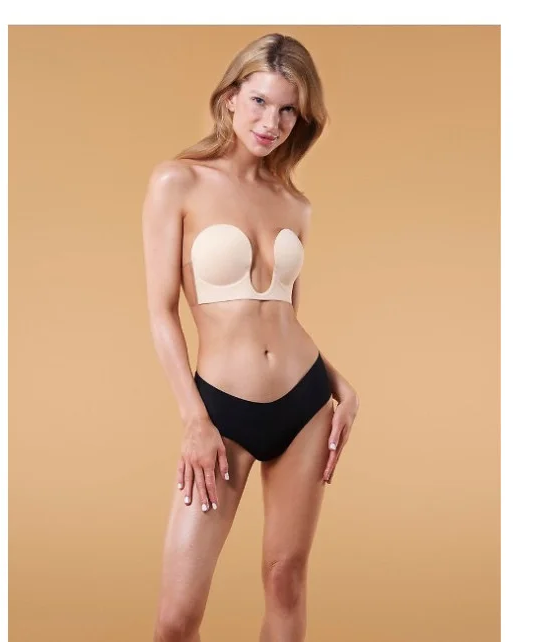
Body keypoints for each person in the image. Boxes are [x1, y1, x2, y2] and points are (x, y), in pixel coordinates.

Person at [142, 32, 360, 642]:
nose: (272, 123)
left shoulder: (295, 204)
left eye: (289, 109)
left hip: (306, 405)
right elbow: (161, 312)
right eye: (260, 101)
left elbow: (282, 315)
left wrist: (339, 382)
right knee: (177, 619)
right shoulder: (177, 182)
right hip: (222, 411)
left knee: (286, 579)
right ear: (231, 97)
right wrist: (194, 419)